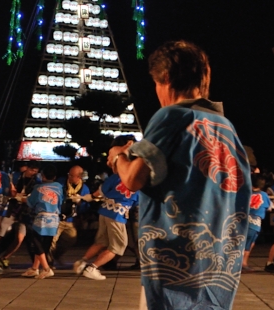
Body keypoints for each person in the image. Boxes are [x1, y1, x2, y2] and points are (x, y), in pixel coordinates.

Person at [107, 40, 251, 310]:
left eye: (156, 84)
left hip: (174, 256)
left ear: (166, 78)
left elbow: (133, 178)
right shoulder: (226, 126)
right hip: (218, 259)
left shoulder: (171, 116)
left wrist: (119, 155)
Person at [75, 135, 139, 281]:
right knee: (118, 246)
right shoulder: (133, 173)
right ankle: (92, 268)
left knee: (102, 241)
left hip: (105, 211)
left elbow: (99, 192)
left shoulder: (115, 176)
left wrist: (88, 197)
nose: (108, 161)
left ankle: (82, 261)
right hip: (118, 214)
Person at [21, 164, 62, 280]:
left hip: (42, 218)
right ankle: (35, 268)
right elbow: (60, 202)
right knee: (45, 245)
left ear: (43, 175)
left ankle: (46, 268)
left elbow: (30, 202)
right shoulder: (59, 186)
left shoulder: (38, 188)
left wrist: (22, 199)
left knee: (36, 242)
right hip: (54, 218)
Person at [51, 165, 90, 266]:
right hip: (57, 217)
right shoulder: (61, 183)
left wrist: (79, 203)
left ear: (79, 177)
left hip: (70, 219)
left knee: (71, 239)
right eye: (69, 174)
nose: (69, 177)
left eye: (72, 175)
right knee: (52, 240)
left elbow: (86, 207)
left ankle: (56, 255)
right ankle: (49, 263)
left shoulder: (84, 189)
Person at [242, 175, 272, 273]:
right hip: (254, 223)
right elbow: (270, 208)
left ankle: (238, 263)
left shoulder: (244, 193)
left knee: (242, 243)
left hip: (242, 221)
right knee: (249, 243)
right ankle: (243, 263)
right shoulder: (263, 195)